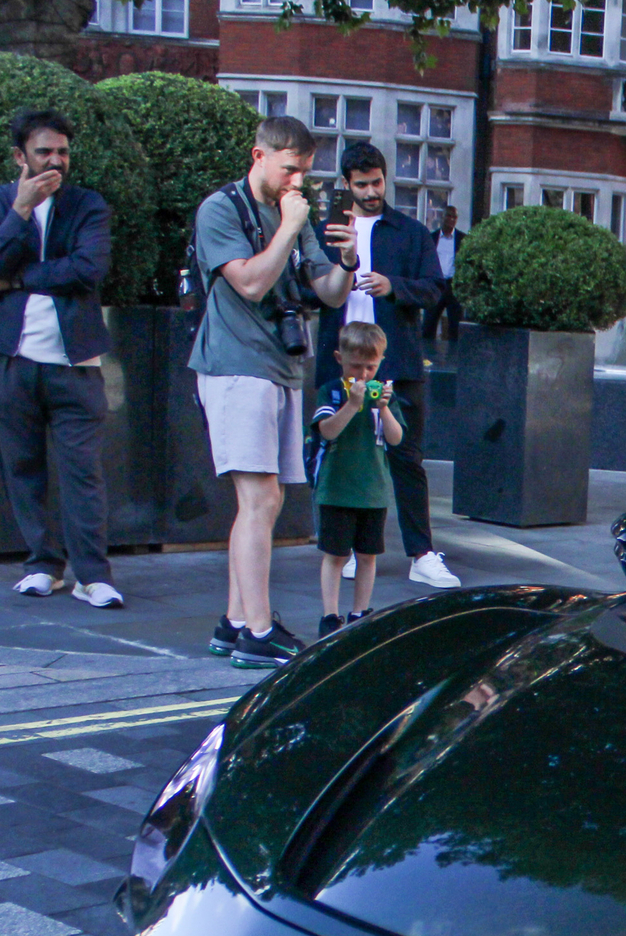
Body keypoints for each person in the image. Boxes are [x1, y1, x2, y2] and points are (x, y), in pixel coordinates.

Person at [190, 112, 353, 669]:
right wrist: (288, 225)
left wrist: (348, 260)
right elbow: (252, 281)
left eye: (304, 173)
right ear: (259, 155)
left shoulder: (295, 210)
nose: (297, 183)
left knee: (268, 499)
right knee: (258, 499)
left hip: (281, 368)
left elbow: (329, 294)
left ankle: (235, 622)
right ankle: (258, 630)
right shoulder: (221, 209)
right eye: (289, 170)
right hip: (234, 364)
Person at [0, 107, 119, 609]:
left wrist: (18, 280)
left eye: (63, 152)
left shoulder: (88, 205)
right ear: (19, 157)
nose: (56, 161)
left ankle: (92, 574)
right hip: (11, 356)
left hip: (74, 360)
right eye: (44, 152)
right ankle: (42, 564)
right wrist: (21, 212)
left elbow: (89, 268)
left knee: (83, 471)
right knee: (23, 464)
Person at [313, 143, 454, 589]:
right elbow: (310, 289)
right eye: (362, 184)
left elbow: (435, 289)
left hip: (397, 360)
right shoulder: (327, 232)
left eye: (377, 182)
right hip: (341, 360)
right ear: (347, 185)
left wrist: (393, 286)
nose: (372, 191)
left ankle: (422, 553)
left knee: (406, 456)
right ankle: (346, 549)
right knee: (341, 454)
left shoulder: (410, 232)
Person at [311, 321, 404, 637]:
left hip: (373, 491)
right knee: (335, 554)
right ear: (339, 358)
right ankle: (330, 615)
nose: (363, 375)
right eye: (355, 367)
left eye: (371, 367)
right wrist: (352, 405)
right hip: (337, 489)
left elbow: (396, 438)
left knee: (368, 555)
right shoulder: (333, 391)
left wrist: (384, 409)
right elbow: (326, 430)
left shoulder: (384, 396)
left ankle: (360, 612)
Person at [421, 202, 460, 345]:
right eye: (448, 216)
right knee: (429, 323)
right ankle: (426, 355)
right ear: (442, 218)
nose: (451, 220)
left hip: (453, 286)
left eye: (454, 217)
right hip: (436, 285)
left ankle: (454, 359)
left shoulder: (462, 239)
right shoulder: (432, 238)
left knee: (455, 326)